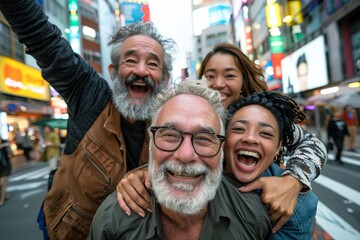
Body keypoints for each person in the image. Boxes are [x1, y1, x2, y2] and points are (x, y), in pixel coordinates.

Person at [0, 0, 176, 239]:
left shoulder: (173, 125)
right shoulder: (89, 96)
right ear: (114, 71)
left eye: (153, 63)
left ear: (164, 80)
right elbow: (38, 33)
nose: (141, 71)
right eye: (131, 60)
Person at [116, 42, 327, 233]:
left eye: (229, 75)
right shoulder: (185, 113)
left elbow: (313, 143)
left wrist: (293, 180)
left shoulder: (257, 114)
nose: (218, 83)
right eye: (210, 75)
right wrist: (139, 174)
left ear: (243, 80)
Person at [90, 80, 271, 240]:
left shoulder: (253, 218)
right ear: (151, 143)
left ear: (221, 150)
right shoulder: (112, 222)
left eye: (204, 138)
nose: (185, 155)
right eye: (170, 135)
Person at [225, 91, 318, 239]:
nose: (250, 138)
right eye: (238, 129)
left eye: (266, 133)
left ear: (277, 148)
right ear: (223, 139)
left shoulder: (299, 205)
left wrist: (292, 182)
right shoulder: (199, 178)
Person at [0, 138, 12, 207]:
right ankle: (6, 193)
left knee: (2, 184)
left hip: (5, 167)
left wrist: (4, 146)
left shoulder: (5, 145)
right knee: (2, 185)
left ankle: (2, 200)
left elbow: (10, 153)